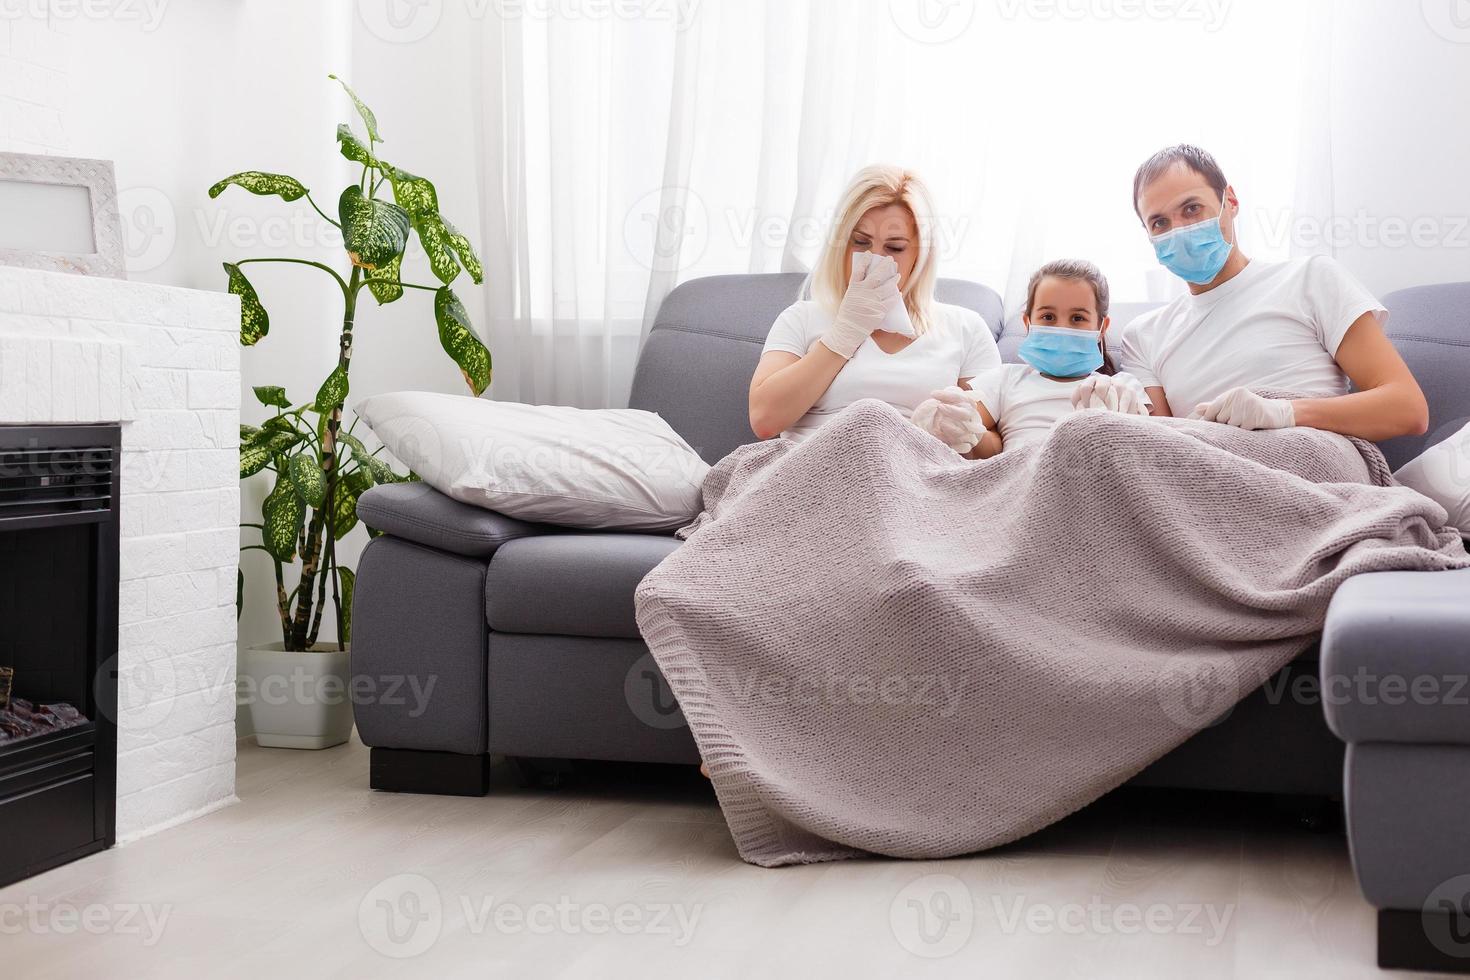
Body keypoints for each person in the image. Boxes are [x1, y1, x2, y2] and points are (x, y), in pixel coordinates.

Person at [1096, 144, 1428, 442]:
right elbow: (1159, 450)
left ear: (1231, 202)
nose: (1179, 230)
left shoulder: (1310, 278)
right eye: (1159, 223)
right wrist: (1112, 409)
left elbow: (1407, 408)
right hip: (1206, 481)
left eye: (1192, 209)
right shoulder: (1144, 336)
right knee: (1083, 432)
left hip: (1311, 460)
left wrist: (1283, 413)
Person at [748, 165, 1002, 446]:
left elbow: (1000, 450)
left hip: (915, 475)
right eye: (860, 242)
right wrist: (845, 333)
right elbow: (764, 419)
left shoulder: (966, 328)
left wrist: (969, 435)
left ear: (920, 256)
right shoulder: (802, 318)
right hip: (816, 467)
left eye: (894, 248)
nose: (875, 258)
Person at [961, 259, 1148, 459]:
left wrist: (1126, 416)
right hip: (1020, 479)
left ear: (1102, 328)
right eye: (1048, 317)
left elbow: (1150, 450)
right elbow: (970, 430)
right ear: (1027, 322)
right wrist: (957, 423)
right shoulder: (1003, 379)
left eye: (1078, 318)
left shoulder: (1123, 386)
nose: (1062, 328)